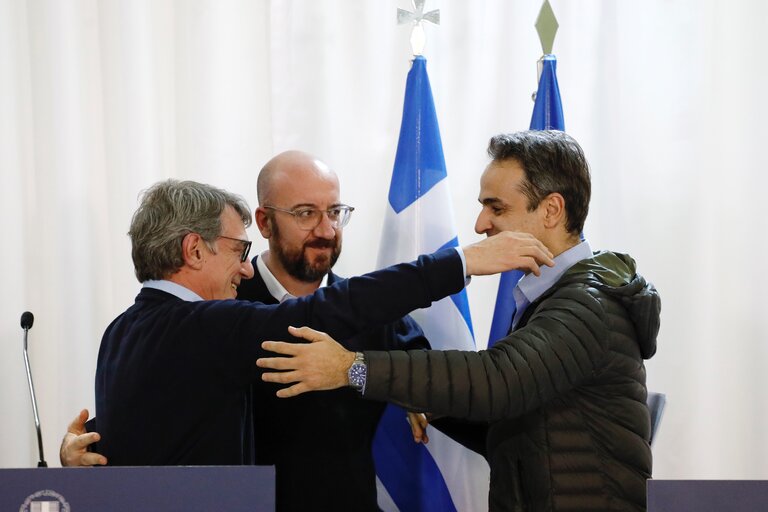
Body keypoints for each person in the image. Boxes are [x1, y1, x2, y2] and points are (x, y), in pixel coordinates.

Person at [257, 130, 661, 512]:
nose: (480, 225)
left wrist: (352, 368)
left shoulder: (588, 304)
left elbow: (498, 380)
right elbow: (509, 423)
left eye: (496, 207)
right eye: (306, 213)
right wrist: (430, 401)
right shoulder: (554, 299)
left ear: (552, 210)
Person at [66, 179, 555, 470]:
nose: (244, 268)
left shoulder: (121, 330)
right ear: (195, 249)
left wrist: (385, 377)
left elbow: (151, 429)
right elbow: (318, 314)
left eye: (334, 211)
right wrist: (459, 263)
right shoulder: (202, 325)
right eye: (238, 251)